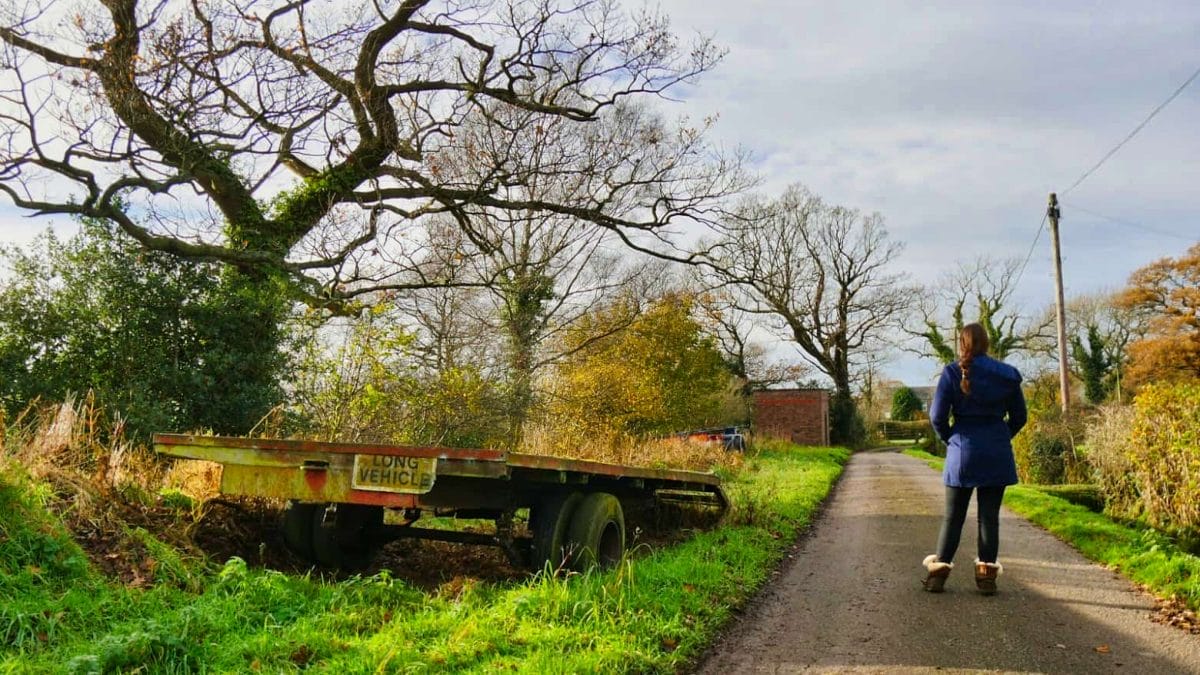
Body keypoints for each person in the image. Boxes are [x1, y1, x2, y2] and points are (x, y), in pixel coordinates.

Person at [921, 322, 1027, 595]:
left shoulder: (952, 373)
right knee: (989, 518)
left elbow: (936, 417)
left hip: (962, 452)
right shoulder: (1008, 375)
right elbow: (1020, 417)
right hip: (996, 451)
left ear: (962, 343)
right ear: (987, 343)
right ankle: (987, 579)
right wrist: (1001, 436)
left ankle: (937, 577)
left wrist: (951, 439)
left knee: (953, 517)